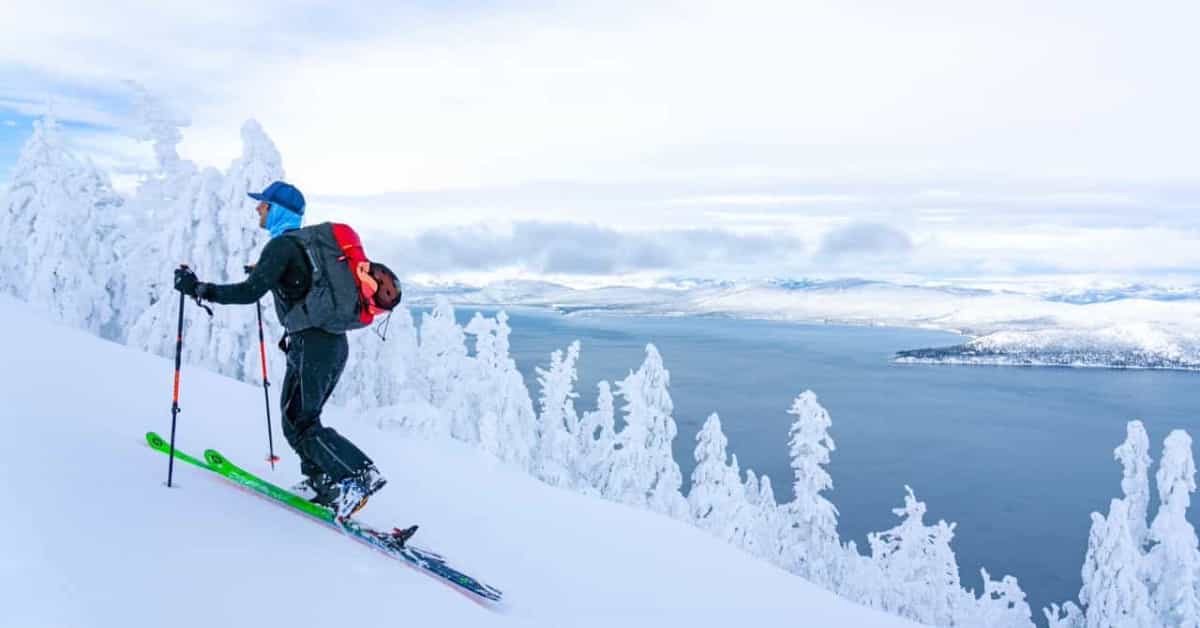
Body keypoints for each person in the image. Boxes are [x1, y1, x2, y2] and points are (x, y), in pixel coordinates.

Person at [173, 180, 386, 519]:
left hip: (313, 345)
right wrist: (267, 274)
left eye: (263, 205)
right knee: (297, 420)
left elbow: (248, 293)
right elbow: (294, 282)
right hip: (329, 345)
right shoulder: (299, 248)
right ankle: (321, 483)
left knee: (301, 423)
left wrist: (199, 288)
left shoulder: (283, 248)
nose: (258, 209)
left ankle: (358, 475)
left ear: (276, 210)